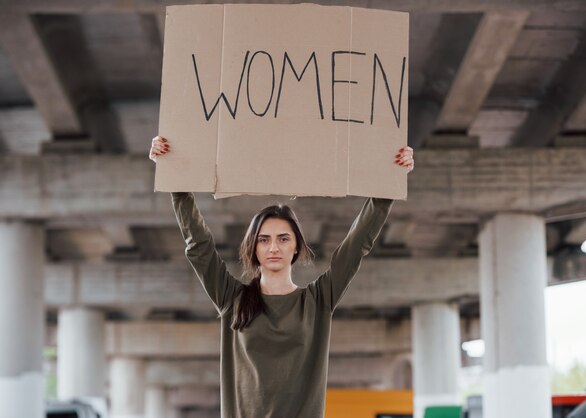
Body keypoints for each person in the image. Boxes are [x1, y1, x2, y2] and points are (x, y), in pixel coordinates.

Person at [149, 135, 414, 418]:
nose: (273, 247)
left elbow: (357, 244)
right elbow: (198, 244)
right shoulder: (231, 298)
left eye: (283, 238)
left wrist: (390, 180)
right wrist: (174, 176)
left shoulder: (319, 300)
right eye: (264, 240)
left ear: (296, 245)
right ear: (253, 247)